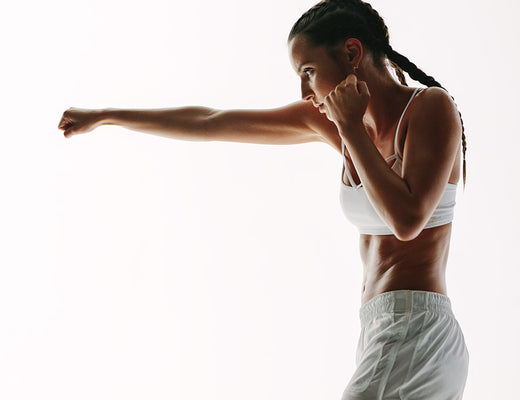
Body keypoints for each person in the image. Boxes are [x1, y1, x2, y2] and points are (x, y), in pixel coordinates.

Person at [57, 0, 469, 398]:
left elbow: (408, 219)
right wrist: (108, 115)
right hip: (378, 330)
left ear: (351, 53)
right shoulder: (337, 125)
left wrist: (349, 128)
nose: (305, 91)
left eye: (308, 71)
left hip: (417, 328)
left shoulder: (430, 108)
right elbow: (211, 121)